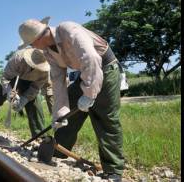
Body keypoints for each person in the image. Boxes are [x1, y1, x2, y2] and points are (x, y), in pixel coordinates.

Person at [18, 17, 125, 181]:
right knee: (68, 114)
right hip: (85, 73)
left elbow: (92, 58)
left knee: (105, 118)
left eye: (31, 44)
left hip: (106, 68)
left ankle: (113, 170)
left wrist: (89, 94)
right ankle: (59, 151)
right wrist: (59, 114)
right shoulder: (48, 51)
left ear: (38, 38)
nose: (32, 47)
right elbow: (58, 81)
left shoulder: (68, 30)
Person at [0, 48, 52, 138]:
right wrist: (9, 91)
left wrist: (23, 100)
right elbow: (5, 78)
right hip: (12, 80)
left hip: (30, 86)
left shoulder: (45, 71)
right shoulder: (18, 58)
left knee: (35, 106)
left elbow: (35, 88)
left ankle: (39, 137)